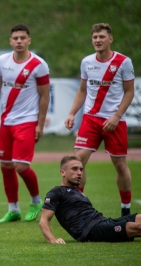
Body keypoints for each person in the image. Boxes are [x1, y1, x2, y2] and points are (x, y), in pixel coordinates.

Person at [64, 23, 135, 217]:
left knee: (120, 165)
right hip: (90, 119)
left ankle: (125, 208)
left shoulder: (123, 62)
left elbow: (130, 92)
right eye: (95, 37)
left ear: (110, 39)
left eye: (102, 37)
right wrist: (71, 113)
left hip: (115, 121)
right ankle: (78, 206)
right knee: (78, 160)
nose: (98, 40)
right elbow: (82, 90)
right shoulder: (87, 62)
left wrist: (117, 116)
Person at [0, 24, 50, 223]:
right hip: (6, 121)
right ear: (10, 41)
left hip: (27, 122)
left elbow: (45, 96)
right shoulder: (2, 61)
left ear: (29, 40)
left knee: (21, 166)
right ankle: (13, 209)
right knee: (6, 165)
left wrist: (40, 124)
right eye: (15, 38)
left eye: (23, 38)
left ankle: (37, 202)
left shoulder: (39, 64)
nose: (19, 41)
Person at [39, 155, 141, 244]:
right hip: (90, 230)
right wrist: (53, 240)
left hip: (103, 222)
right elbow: (43, 221)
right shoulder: (56, 192)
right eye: (74, 169)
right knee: (137, 227)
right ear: (62, 172)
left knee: (139, 217)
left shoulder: (77, 191)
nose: (79, 173)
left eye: (81, 169)